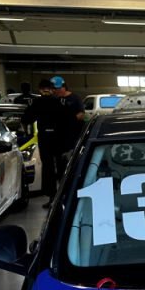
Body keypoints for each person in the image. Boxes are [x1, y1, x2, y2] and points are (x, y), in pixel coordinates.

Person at [21, 79, 61, 201]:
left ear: (40, 89)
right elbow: (67, 119)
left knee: (47, 166)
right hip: (58, 138)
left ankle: (51, 196)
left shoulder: (37, 102)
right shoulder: (58, 101)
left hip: (44, 137)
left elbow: (26, 118)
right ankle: (63, 194)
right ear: (51, 89)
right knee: (60, 165)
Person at [49, 76, 85, 204]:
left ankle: (74, 192)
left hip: (73, 139)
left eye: (57, 89)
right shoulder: (53, 100)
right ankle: (61, 195)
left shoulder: (75, 98)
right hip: (58, 141)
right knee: (60, 169)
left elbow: (81, 114)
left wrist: (70, 120)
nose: (56, 91)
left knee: (73, 166)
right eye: (54, 89)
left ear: (64, 87)